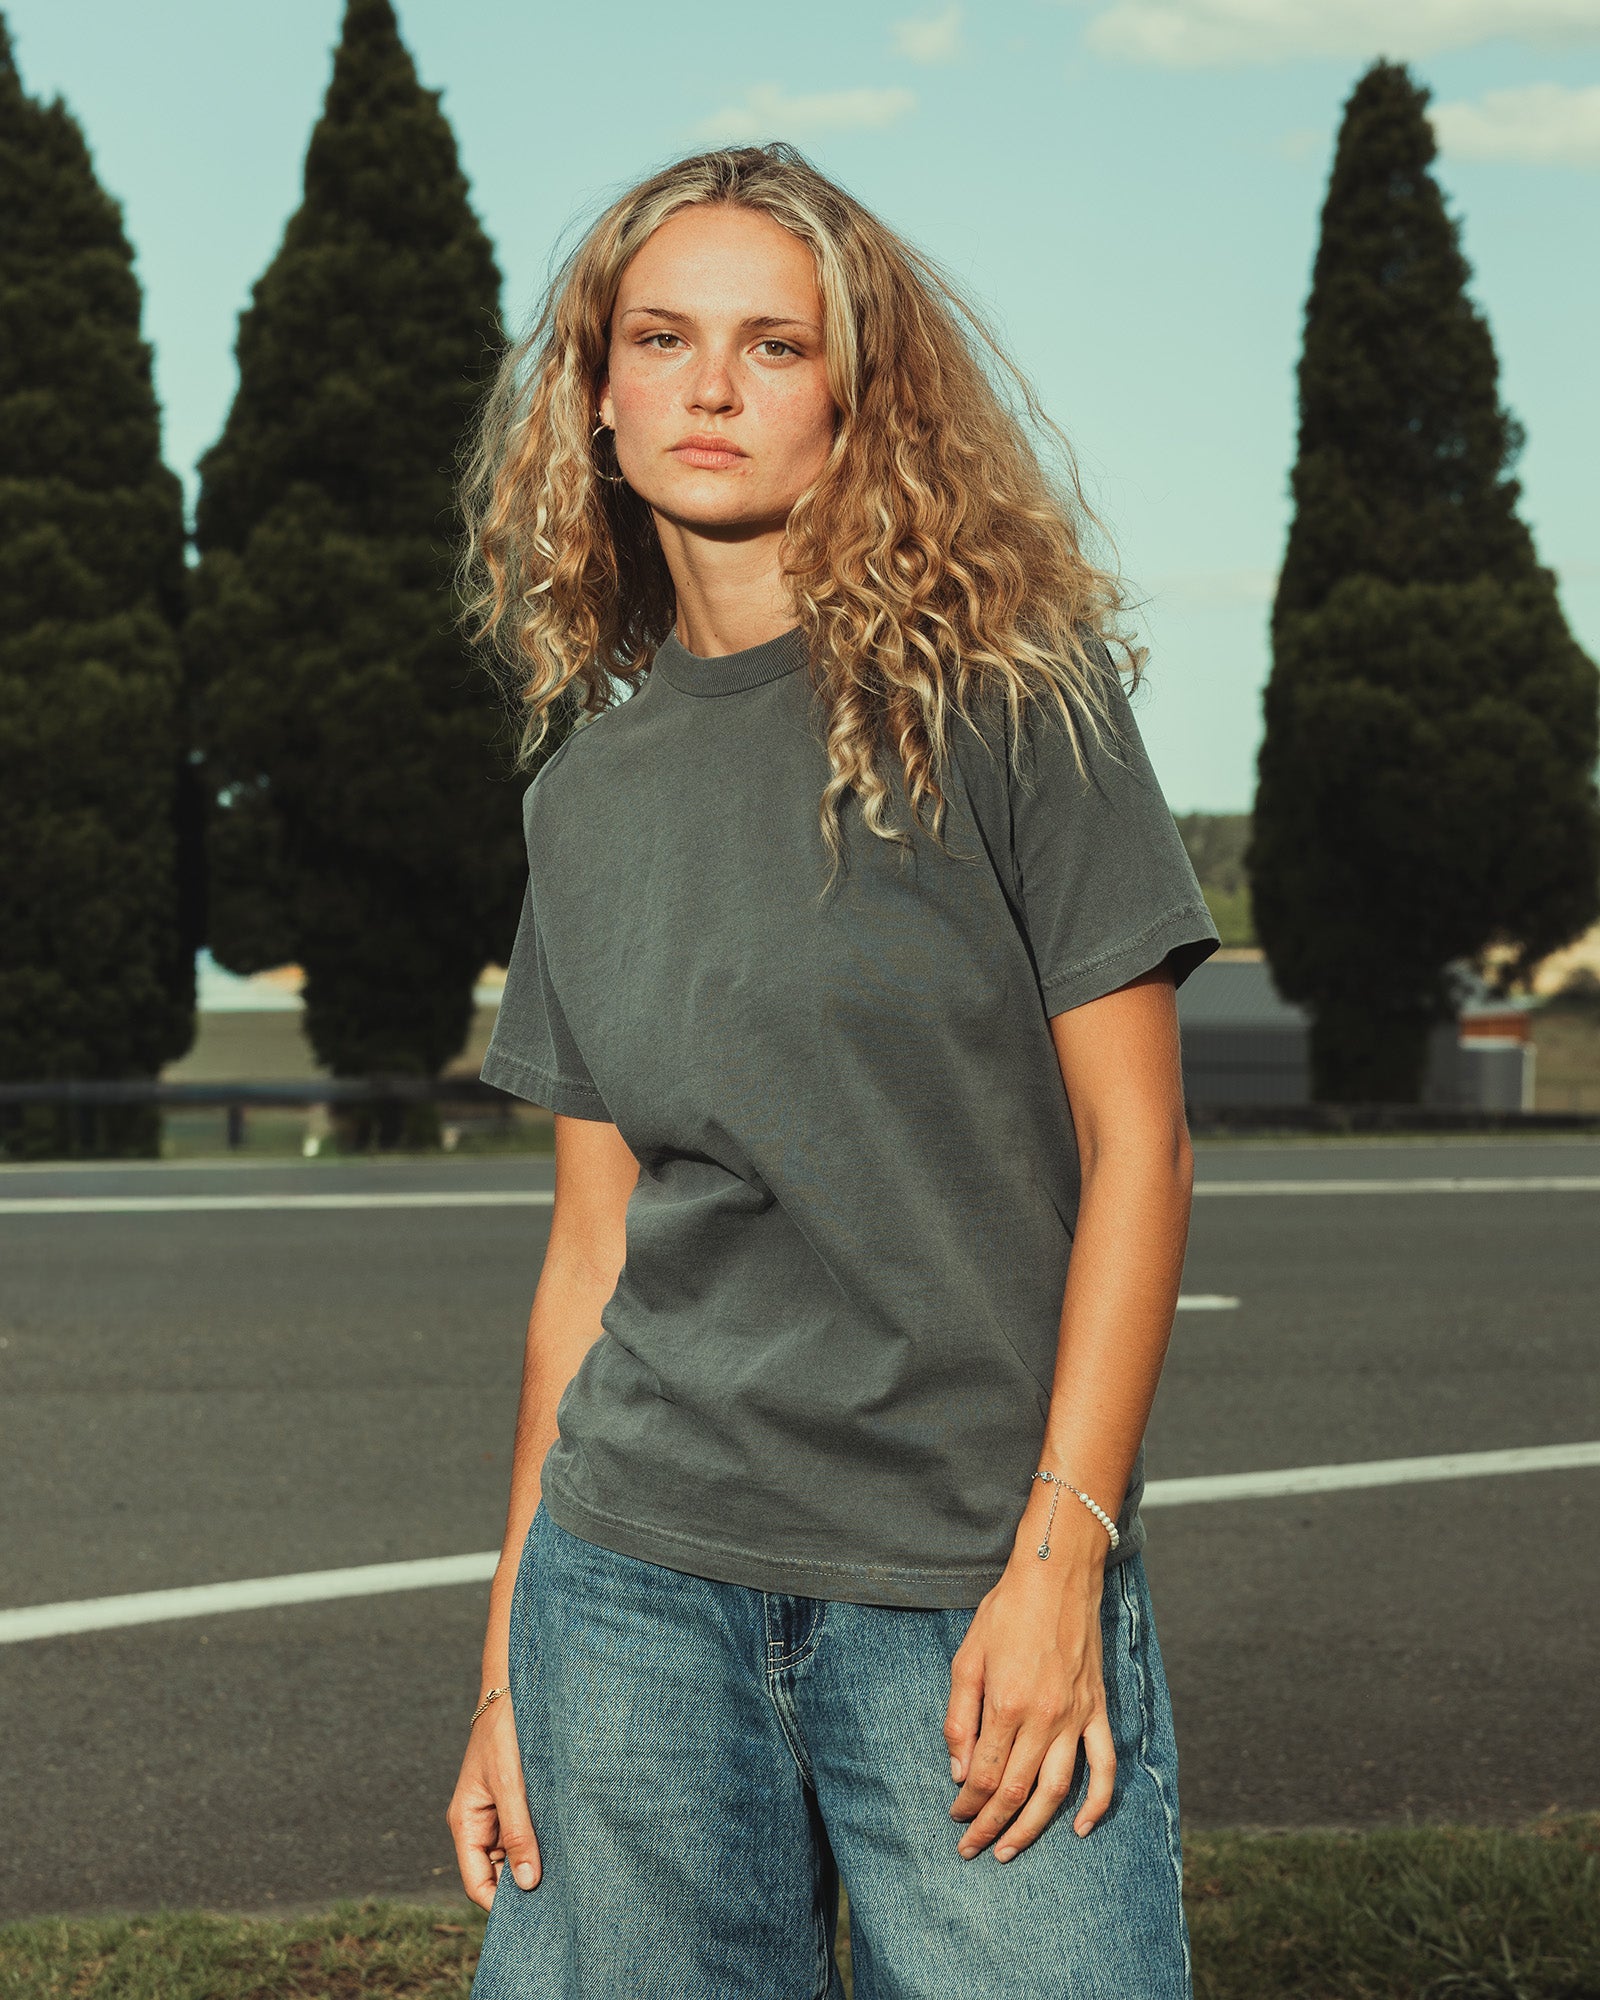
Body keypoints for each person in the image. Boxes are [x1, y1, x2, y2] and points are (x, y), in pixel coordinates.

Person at [447, 142, 1218, 2000]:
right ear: (598, 391)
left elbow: (1144, 1150)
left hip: (963, 1584)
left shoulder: (1014, 699)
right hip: (627, 1586)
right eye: (663, 336)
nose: (711, 385)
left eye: (774, 345)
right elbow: (590, 1255)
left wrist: (1059, 1569)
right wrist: (503, 1672)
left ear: (858, 400)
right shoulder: (586, 793)